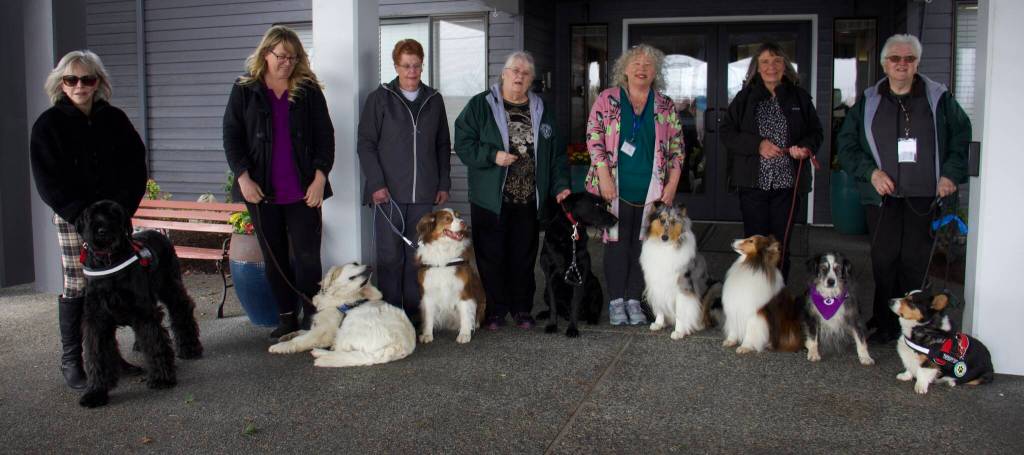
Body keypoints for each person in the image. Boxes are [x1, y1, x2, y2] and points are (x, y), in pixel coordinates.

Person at [838, 34, 971, 344]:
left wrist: (950, 174)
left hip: (925, 197)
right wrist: (871, 173)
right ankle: (885, 323)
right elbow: (846, 145)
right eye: (895, 58)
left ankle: (913, 326)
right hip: (882, 197)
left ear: (917, 63)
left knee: (914, 262)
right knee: (884, 260)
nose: (902, 64)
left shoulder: (939, 99)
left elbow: (961, 136)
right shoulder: (869, 101)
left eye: (909, 59)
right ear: (884, 64)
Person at [30, 50, 148, 390]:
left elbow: (135, 165)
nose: (80, 86)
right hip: (75, 220)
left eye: (87, 79)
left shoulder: (115, 120)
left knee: (115, 282)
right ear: (61, 83)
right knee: (78, 284)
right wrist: (79, 215)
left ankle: (109, 357)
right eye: (71, 79)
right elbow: (48, 181)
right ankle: (72, 359)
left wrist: (123, 209)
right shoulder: (48, 125)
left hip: (115, 218)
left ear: (98, 83)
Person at [223, 25, 335, 339]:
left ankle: (312, 316)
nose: (287, 62)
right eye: (281, 56)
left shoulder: (308, 89)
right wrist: (243, 177)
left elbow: (325, 137)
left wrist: (319, 178)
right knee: (274, 258)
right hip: (261, 192)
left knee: (308, 258)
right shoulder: (245, 88)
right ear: (266, 54)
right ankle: (286, 316)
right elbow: (231, 136)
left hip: (303, 190)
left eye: (293, 57)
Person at [454, 51, 571, 330]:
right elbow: (463, 143)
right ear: (503, 74)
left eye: (525, 73)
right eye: (515, 71)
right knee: (491, 256)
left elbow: (556, 155)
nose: (519, 76)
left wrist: (561, 185)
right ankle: (495, 310)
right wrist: (491, 155)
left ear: (531, 80)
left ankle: (521, 308)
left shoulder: (542, 110)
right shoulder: (480, 105)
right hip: (490, 199)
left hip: (529, 199)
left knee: (523, 257)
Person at [584, 44, 684, 326]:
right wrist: (603, 175)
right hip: (614, 188)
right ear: (625, 70)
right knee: (616, 243)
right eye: (636, 63)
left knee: (644, 245)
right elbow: (594, 137)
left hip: (651, 190)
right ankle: (617, 301)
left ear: (655, 72)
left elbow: (677, 147)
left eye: (648, 65)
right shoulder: (608, 99)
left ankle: (634, 299)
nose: (642, 68)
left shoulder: (664, 105)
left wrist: (672, 184)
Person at [357, 39, 451, 323]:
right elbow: (366, 144)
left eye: (417, 65)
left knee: (416, 256)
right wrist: (376, 184)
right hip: (388, 194)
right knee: (389, 258)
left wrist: (443, 183)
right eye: (406, 65)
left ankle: (413, 315)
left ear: (423, 65)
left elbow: (442, 144)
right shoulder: (379, 99)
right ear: (396, 66)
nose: (412, 71)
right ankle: (390, 316)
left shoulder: (434, 99)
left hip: (424, 194)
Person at [721, 42, 823, 280]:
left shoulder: (799, 97)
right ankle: (755, 293)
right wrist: (758, 145)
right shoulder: (744, 98)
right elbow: (727, 133)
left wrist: (805, 147)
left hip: (787, 185)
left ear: (785, 66)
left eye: (777, 61)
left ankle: (777, 293)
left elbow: (816, 132)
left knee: (780, 245)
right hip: (753, 184)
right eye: (765, 62)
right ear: (757, 67)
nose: (771, 67)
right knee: (755, 245)